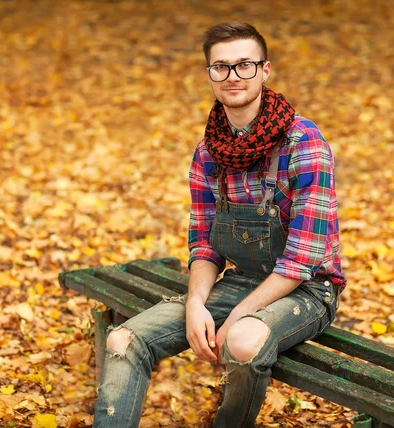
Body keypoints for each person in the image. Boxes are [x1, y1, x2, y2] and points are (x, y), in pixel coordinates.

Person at [93, 22, 346, 428]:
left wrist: (238, 317)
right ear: (209, 75)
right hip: (241, 281)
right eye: (221, 67)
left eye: (244, 65)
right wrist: (195, 305)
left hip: (308, 289)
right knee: (123, 339)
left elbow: (303, 259)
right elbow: (204, 244)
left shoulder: (304, 143)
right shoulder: (209, 152)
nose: (232, 77)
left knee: (243, 341)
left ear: (265, 70)